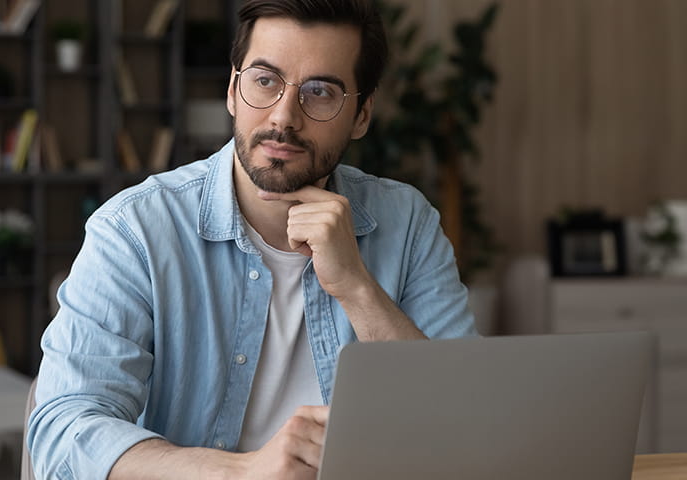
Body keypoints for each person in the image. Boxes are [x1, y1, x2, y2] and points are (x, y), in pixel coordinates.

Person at [28, 0, 476, 478]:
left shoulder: (408, 225)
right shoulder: (135, 230)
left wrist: (355, 286)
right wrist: (241, 472)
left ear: (362, 115)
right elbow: (63, 436)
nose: (284, 117)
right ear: (232, 91)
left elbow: (467, 425)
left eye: (320, 92)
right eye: (265, 80)